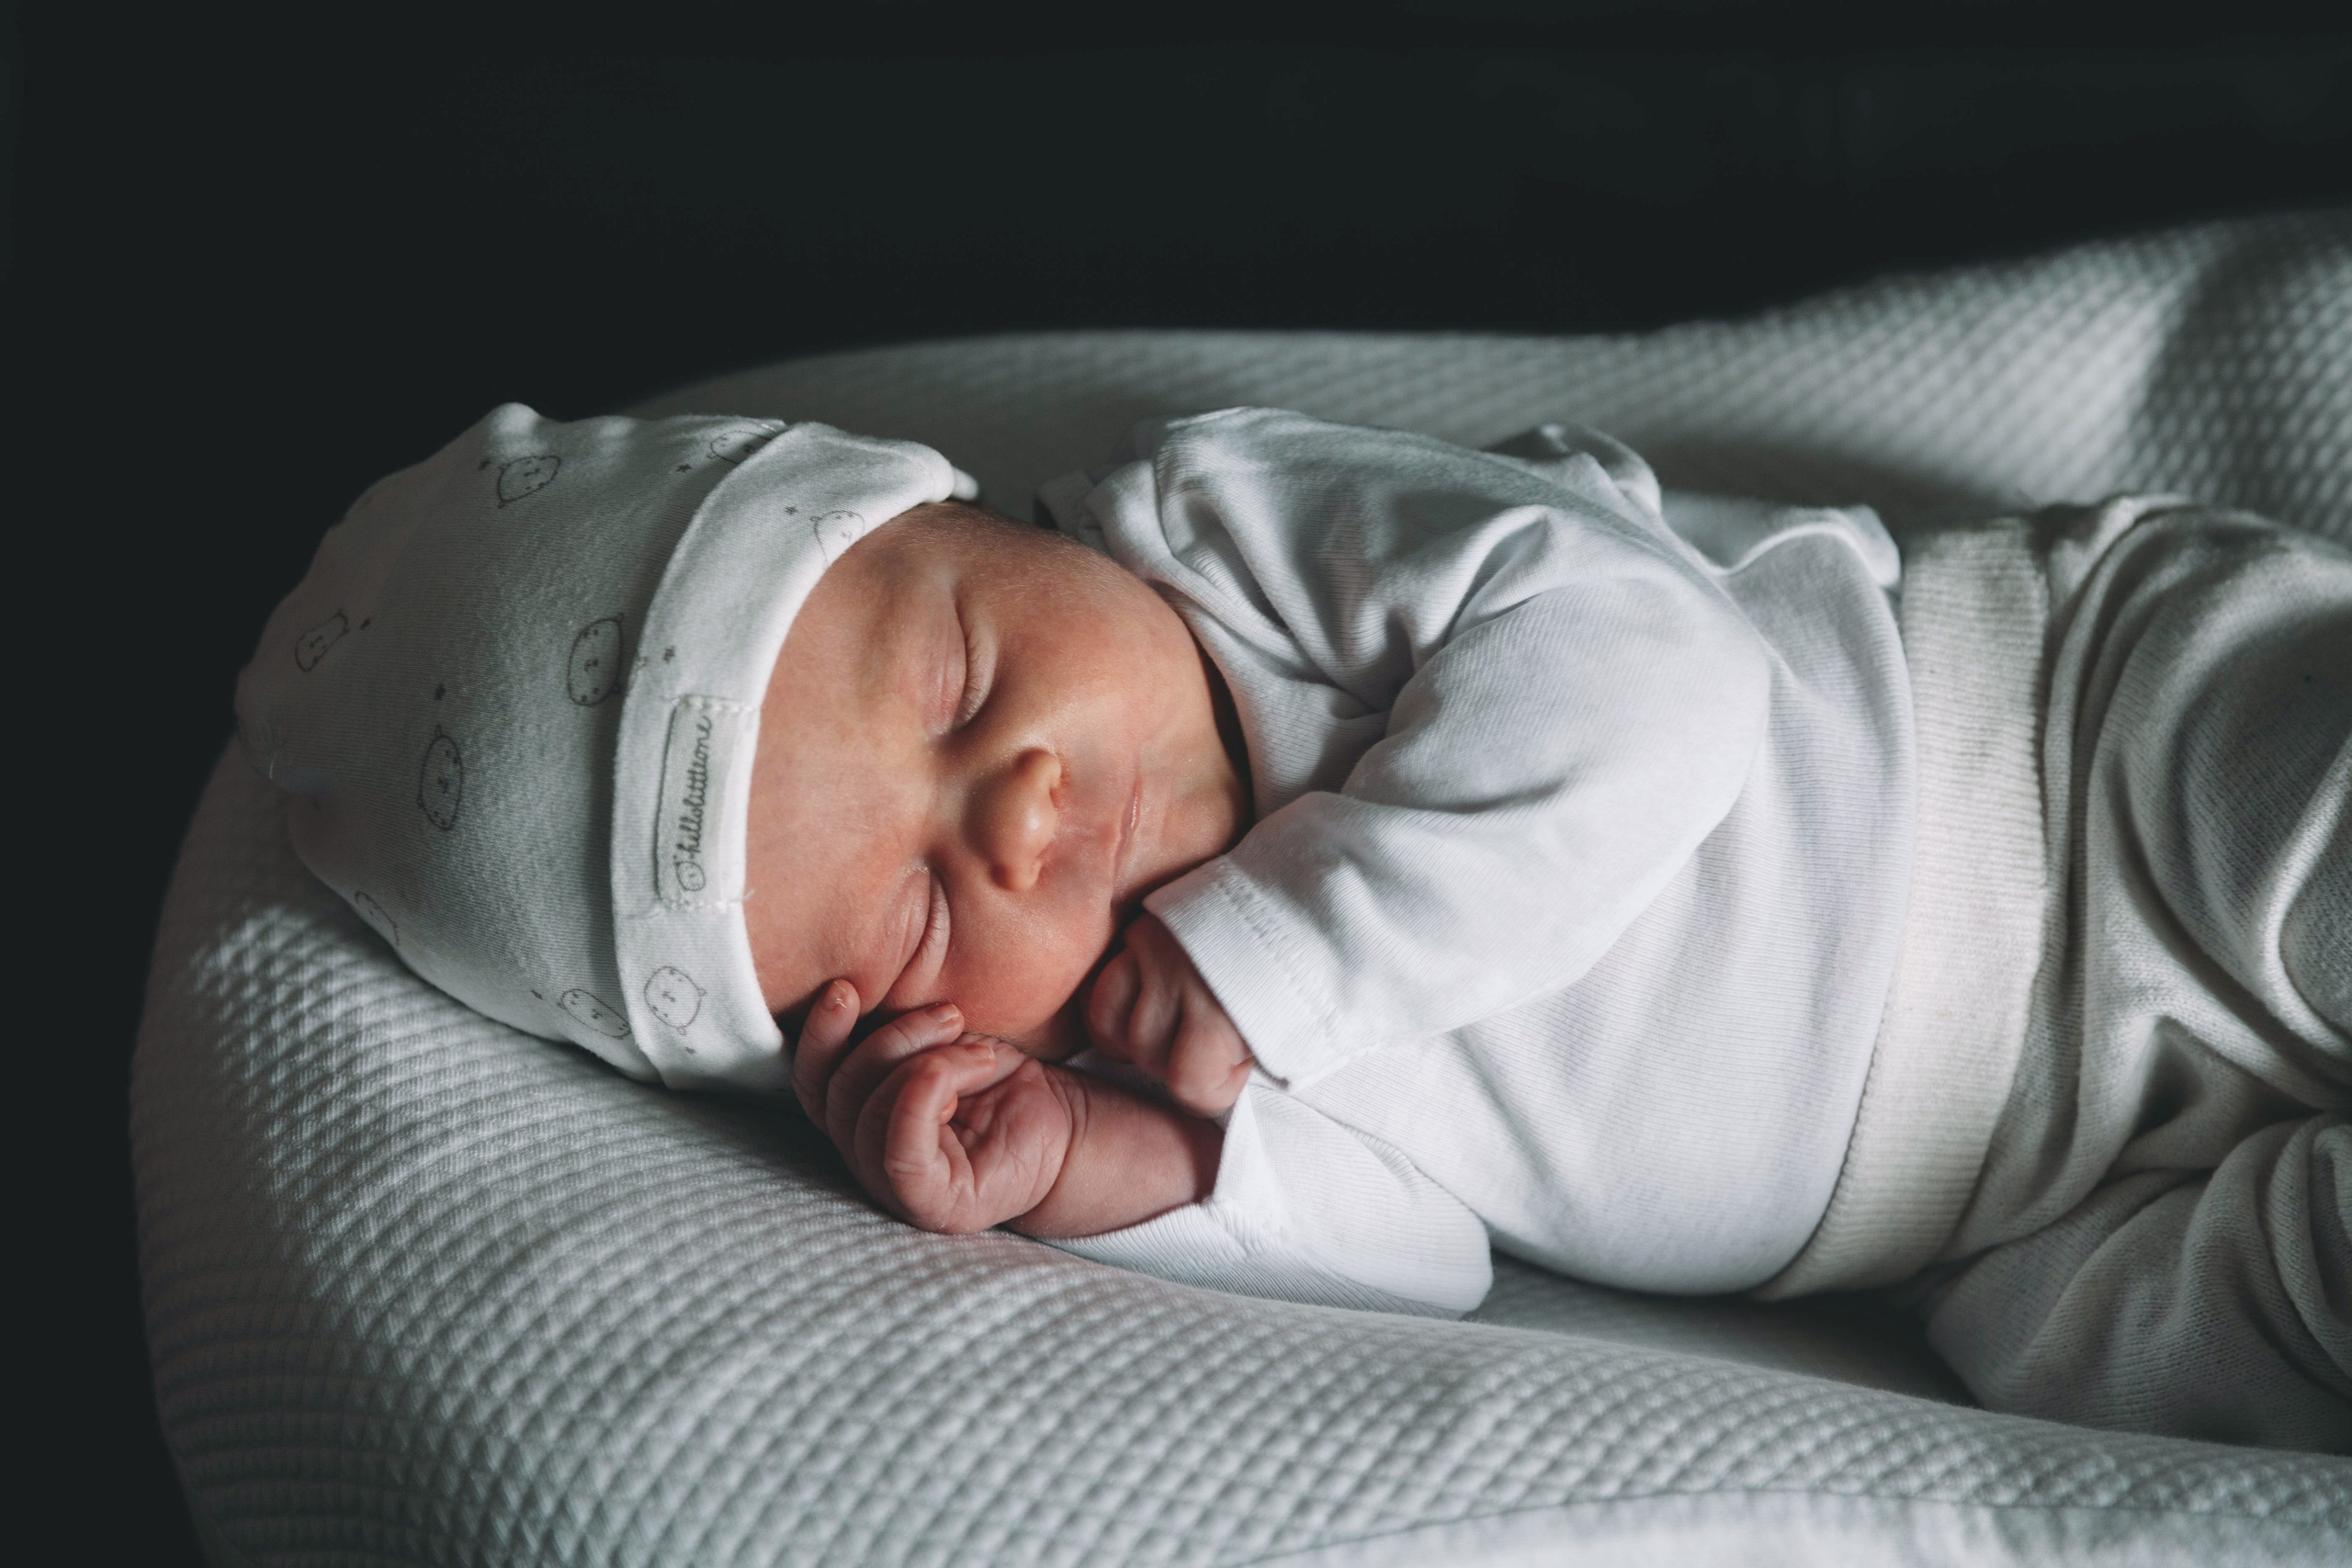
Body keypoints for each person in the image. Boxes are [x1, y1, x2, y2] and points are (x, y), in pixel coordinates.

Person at [237, 402, 2349, 1450]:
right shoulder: (1139, 1045)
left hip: (2065, 755)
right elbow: (1422, 1256)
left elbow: (1660, 674)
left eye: (962, 681)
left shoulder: (1218, 530)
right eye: (913, 905)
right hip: (1987, 1220)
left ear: (959, 508)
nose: (1021, 813)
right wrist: (1092, 1162)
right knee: (2182, 1365)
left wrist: (1279, 956)